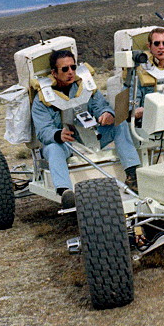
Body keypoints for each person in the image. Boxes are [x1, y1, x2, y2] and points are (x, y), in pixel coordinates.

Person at [32, 48, 141, 207]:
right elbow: (43, 131)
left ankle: (132, 175)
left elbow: (100, 105)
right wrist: (58, 134)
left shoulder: (85, 87)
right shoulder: (42, 99)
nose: (70, 72)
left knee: (119, 123)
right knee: (53, 149)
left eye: (73, 67)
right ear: (54, 73)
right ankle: (65, 192)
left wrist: (106, 114)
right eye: (65, 69)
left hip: (89, 137)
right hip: (64, 143)